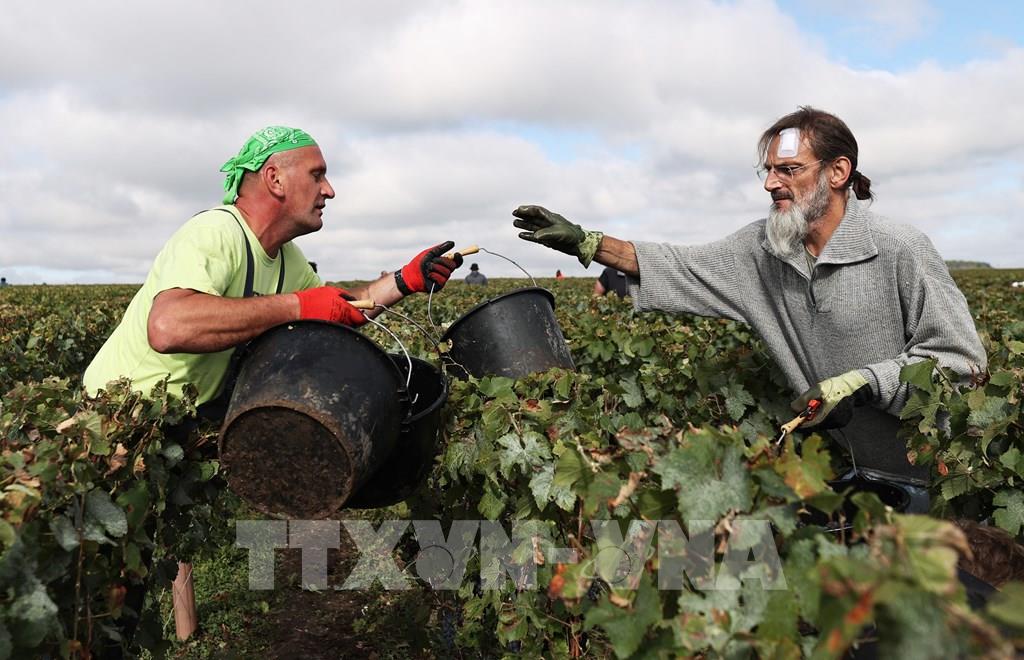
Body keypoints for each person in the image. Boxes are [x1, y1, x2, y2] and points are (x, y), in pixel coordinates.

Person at [513, 107, 987, 494]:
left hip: (932, 477)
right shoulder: (762, 251)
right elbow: (680, 265)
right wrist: (588, 242)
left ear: (838, 172)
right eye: (769, 171)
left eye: (789, 170)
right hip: (846, 475)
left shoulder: (901, 248)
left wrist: (865, 383)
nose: (770, 184)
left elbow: (960, 361)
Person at [84, 125, 463, 416]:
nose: (329, 190)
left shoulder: (287, 257)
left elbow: (341, 308)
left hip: (180, 417)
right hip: (118, 413)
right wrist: (297, 306)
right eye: (317, 175)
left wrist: (406, 279)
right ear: (275, 179)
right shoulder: (216, 231)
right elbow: (169, 327)